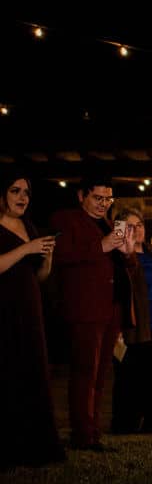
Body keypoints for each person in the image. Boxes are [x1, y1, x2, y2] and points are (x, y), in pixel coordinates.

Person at [51, 177, 134, 450]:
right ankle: (82, 434)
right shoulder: (66, 220)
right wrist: (102, 245)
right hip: (84, 308)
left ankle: (93, 430)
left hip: (111, 308)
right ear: (81, 196)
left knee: (100, 374)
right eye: (98, 198)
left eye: (108, 199)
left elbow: (118, 264)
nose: (104, 204)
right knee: (84, 372)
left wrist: (127, 252)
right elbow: (61, 255)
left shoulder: (108, 224)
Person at [0, 174, 65, 467]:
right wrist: (27, 248)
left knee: (33, 369)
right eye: (15, 191)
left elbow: (39, 277)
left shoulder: (29, 226)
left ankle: (35, 445)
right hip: (4, 308)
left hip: (30, 306)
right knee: (7, 371)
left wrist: (47, 258)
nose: (22, 197)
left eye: (26, 192)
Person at [111, 207, 152, 434]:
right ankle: (126, 423)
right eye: (130, 226)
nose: (136, 230)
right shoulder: (120, 257)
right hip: (138, 325)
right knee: (131, 376)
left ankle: (151, 421)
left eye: (140, 225)